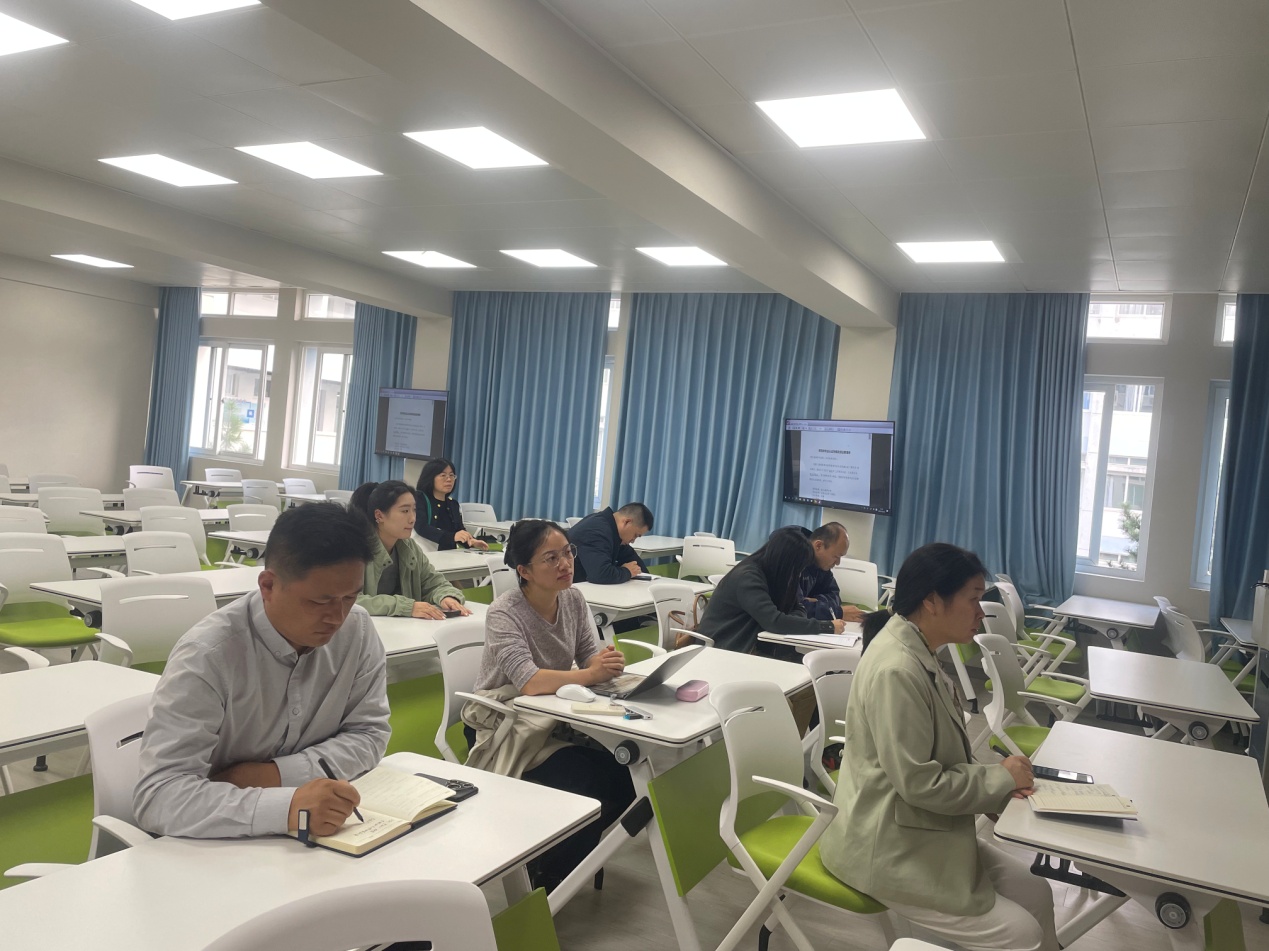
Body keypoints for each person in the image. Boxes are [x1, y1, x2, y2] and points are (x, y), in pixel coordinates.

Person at [819, 543, 1057, 951]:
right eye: (973, 599)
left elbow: (944, 758)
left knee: (1034, 891)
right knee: (1022, 935)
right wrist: (999, 780)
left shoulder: (918, 651)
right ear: (931, 600)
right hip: (886, 846)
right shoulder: (897, 670)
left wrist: (996, 786)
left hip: (917, 828)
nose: (981, 613)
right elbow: (920, 783)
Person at [133, 502, 390, 839]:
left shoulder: (358, 629)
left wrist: (274, 776)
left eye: (350, 597)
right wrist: (288, 807)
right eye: (319, 601)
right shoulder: (208, 656)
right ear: (268, 586)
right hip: (211, 844)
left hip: (315, 839)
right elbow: (159, 797)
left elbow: (369, 734)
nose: (337, 617)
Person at [463, 519, 635, 892]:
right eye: (551, 558)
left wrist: (604, 663)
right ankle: (549, 881)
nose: (565, 564)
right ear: (524, 571)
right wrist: (590, 674)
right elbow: (528, 681)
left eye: (568, 552)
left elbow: (587, 655)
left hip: (551, 718)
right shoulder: (504, 612)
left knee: (626, 776)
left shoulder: (572, 598)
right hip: (503, 723)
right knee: (586, 783)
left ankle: (561, 860)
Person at [696, 525, 848, 658]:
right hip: (724, 648)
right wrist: (826, 626)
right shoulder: (748, 577)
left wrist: (787, 620)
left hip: (752, 644)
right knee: (804, 667)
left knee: (812, 664)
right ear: (785, 562)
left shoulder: (779, 575)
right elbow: (774, 622)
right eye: (797, 569)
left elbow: (799, 607)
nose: (798, 574)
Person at [350, 480, 470, 619]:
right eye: (405, 511)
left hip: (406, 628)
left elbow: (434, 583)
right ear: (379, 515)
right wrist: (406, 607)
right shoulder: (355, 550)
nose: (412, 519)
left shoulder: (410, 547)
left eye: (414, 510)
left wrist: (446, 596)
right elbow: (349, 600)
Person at [414, 457, 488, 552]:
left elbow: (459, 530)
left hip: (449, 554)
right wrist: (452, 536)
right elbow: (421, 527)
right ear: (430, 478)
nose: (449, 479)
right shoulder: (419, 498)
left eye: (452, 475)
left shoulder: (453, 504)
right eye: (443, 475)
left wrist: (471, 541)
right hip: (426, 553)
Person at [797, 522, 866, 623]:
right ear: (818, 545)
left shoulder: (821, 565)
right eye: (836, 556)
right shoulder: (793, 561)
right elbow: (794, 608)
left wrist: (816, 600)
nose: (838, 563)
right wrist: (838, 612)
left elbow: (835, 596)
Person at [568, 502, 652, 584]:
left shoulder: (612, 529)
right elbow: (600, 574)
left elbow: (630, 557)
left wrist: (648, 578)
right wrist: (627, 572)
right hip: (571, 588)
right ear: (627, 522)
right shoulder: (597, 531)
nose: (633, 541)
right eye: (635, 535)